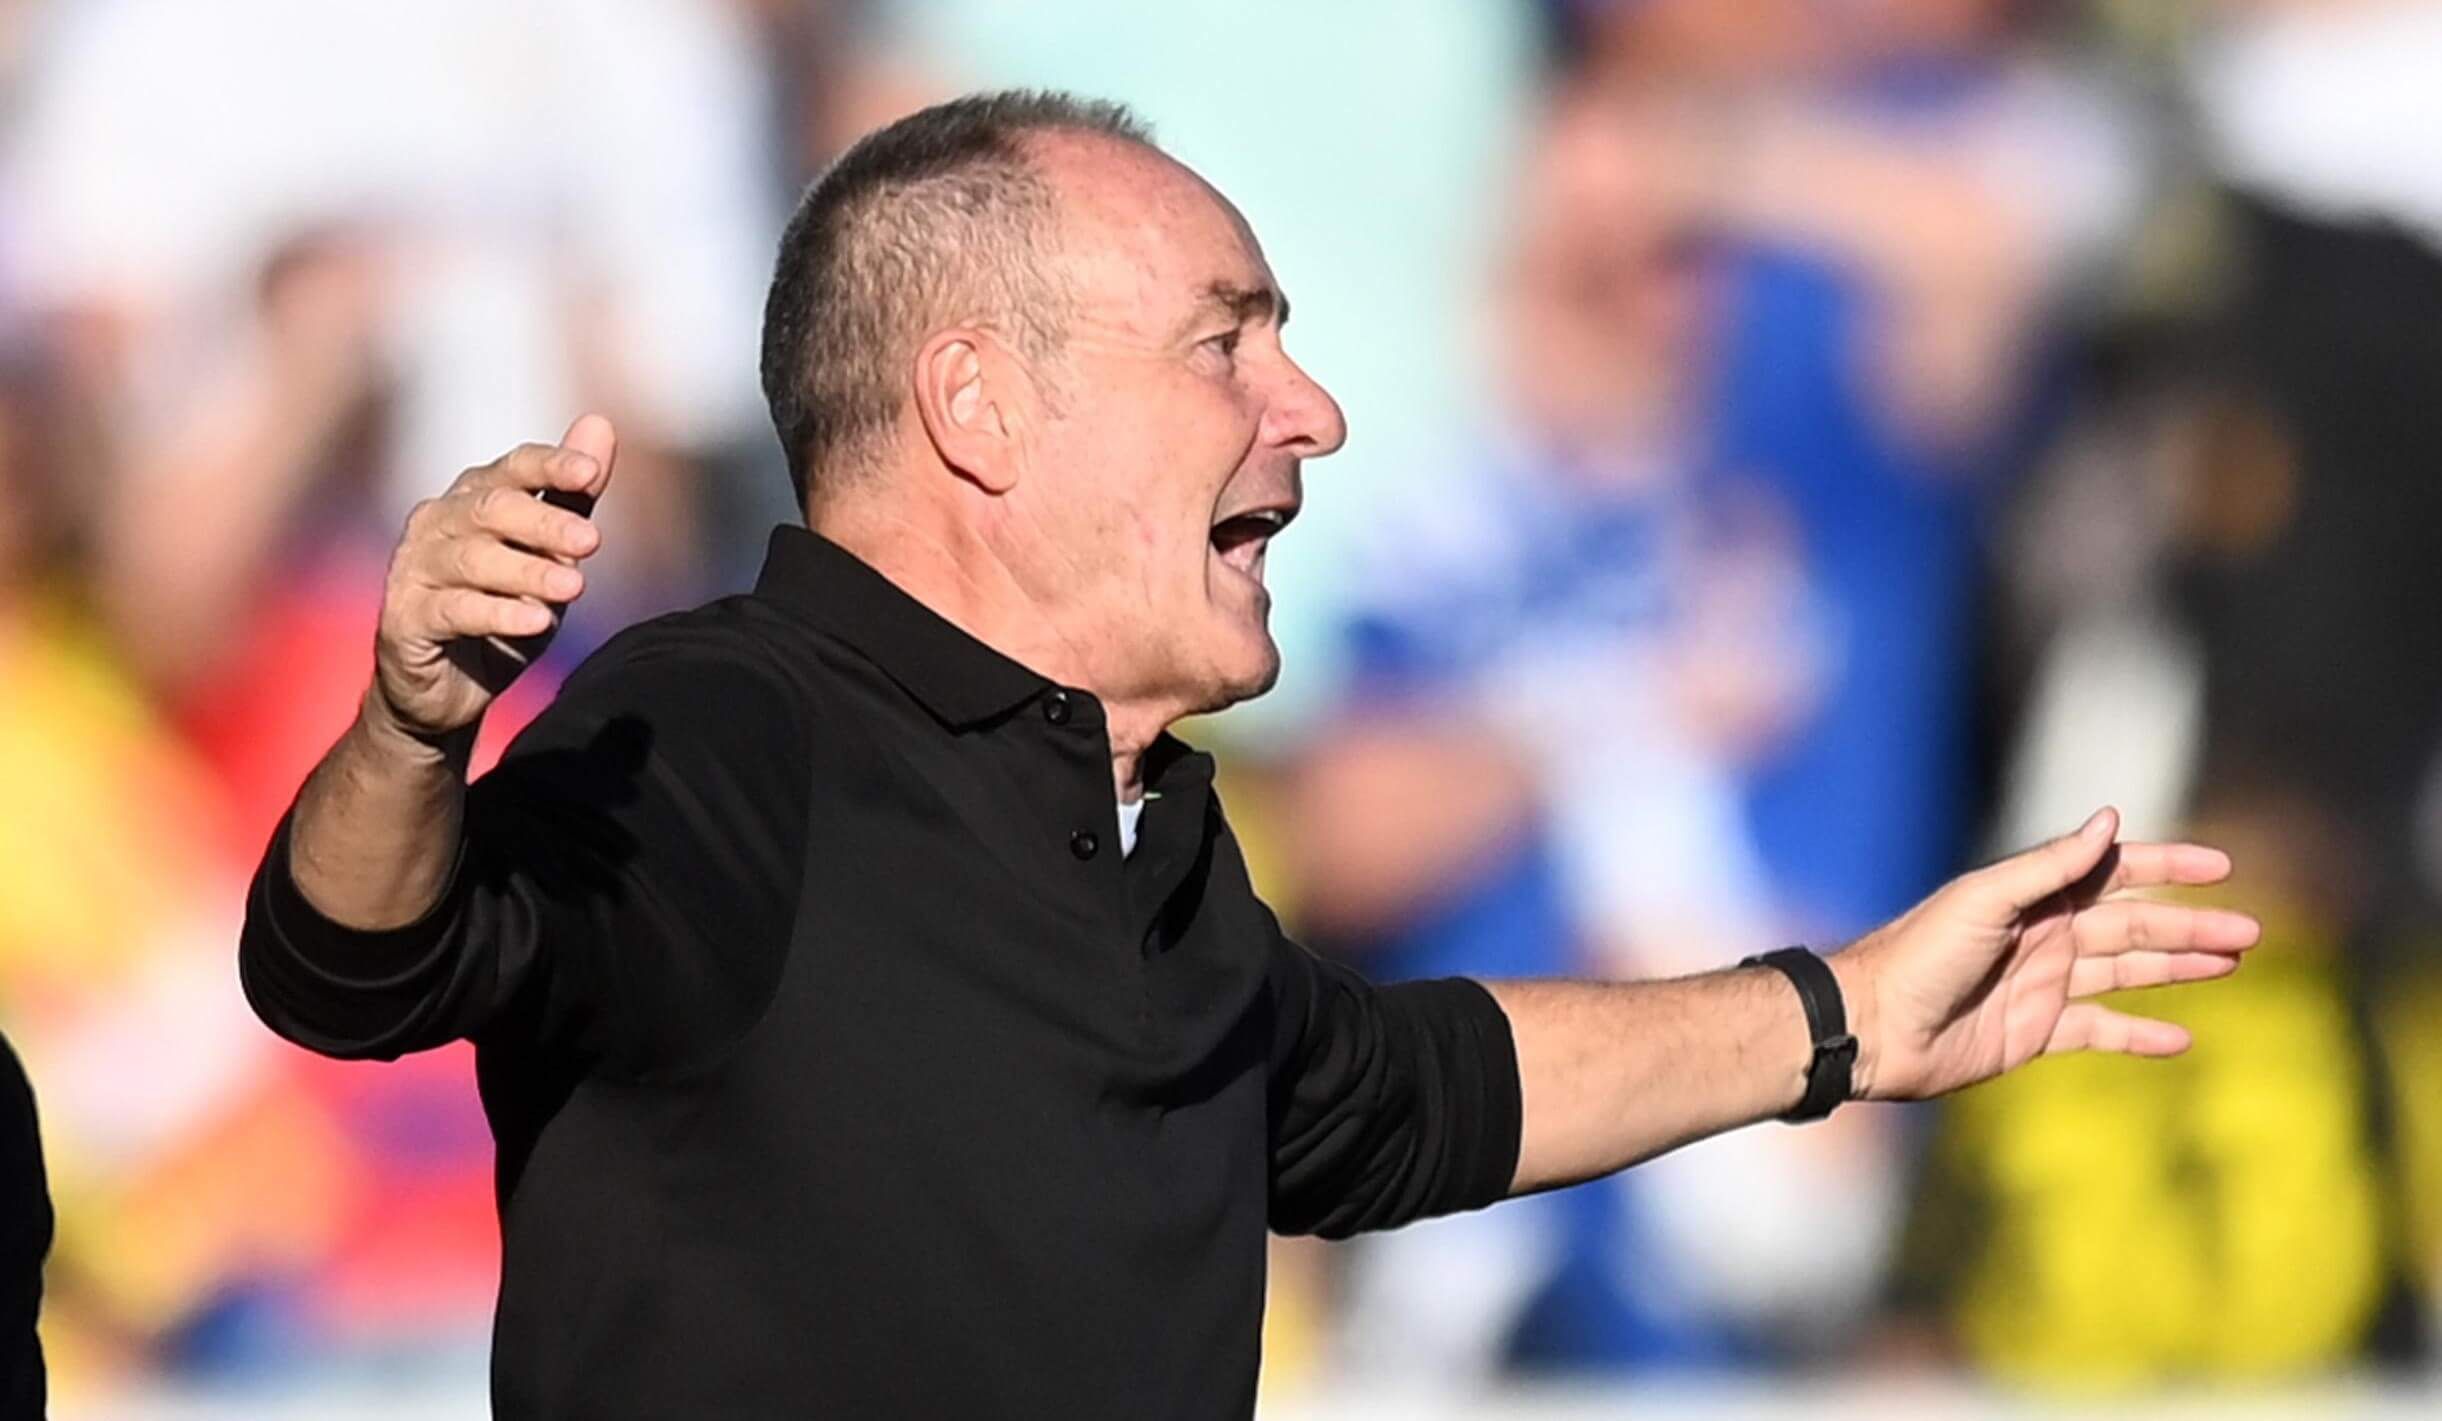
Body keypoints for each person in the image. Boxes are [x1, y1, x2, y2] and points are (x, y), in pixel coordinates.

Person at [238, 91, 2261, 1418]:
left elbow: (1385, 1092)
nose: (1313, 408)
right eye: (1225, 341)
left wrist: (1854, 1015)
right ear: (979, 406)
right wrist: (417, 722)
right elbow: (357, 966)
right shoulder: (729, 721)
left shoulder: (1150, 841)